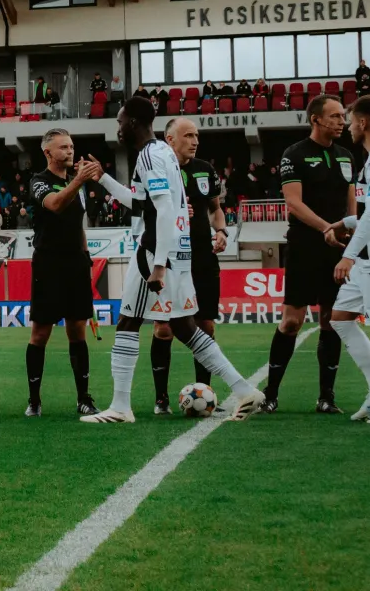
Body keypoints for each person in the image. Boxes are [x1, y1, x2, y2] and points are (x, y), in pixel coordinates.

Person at [80, 99, 264, 422]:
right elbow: (139, 203)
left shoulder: (150, 155)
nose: (118, 128)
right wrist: (103, 178)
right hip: (179, 252)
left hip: (154, 253)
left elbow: (163, 209)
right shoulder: (162, 155)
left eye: (120, 121)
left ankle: (121, 407)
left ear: (134, 121)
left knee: (127, 322)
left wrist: (159, 265)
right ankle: (244, 389)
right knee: (186, 328)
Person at [267, 95, 353, 414]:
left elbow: (351, 203)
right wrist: (326, 228)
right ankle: (271, 393)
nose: (341, 121)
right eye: (334, 116)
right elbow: (293, 203)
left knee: (331, 321)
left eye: (343, 116)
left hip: (338, 250)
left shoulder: (346, 156)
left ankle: (326, 397)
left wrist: (349, 233)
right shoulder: (295, 154)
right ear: (315, 119)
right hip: (305, 247)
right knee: (292, 322)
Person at [148, 119, 227, 414]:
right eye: (188, 135)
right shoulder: (157, 167)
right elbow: (144, 208)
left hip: (203, 258)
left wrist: (220, 231)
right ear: (170, 139)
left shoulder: (205, 168)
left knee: (205, 325)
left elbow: (216, 208)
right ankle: (161, 399)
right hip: (168, 258)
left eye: (197, 135)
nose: (194, 141)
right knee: (164, 328)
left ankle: (204, 392)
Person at [22, 129, 101, 417]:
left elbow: (78, 224)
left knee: (77, 331)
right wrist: (79, 180)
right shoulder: (39, 182)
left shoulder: (73, 183)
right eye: (63, 147)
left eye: (71, 146)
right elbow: (55, 205)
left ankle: (83, 398)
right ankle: (34, 400)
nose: (70, 151)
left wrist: (86, 257)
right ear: (48, 153)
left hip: (76, 265)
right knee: (40, 333)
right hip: (48, 264)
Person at [322, 95, 370, 421]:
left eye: (351, 120)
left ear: (364, 123)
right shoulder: (367, 162)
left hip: (364, 260)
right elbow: (366, 213)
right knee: (339, 318)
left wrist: (348, 256)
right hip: (365, 259)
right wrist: (343, 223)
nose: (349, 126)